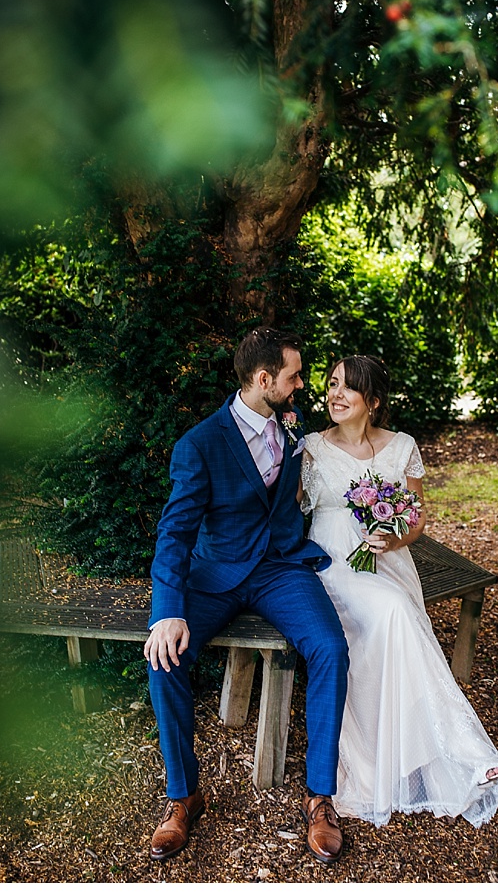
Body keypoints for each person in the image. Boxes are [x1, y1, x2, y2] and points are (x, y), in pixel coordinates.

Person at [145, 328, 350, 864]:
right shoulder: (200, 444)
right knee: (164, 660)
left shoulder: (292, 422)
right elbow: (174, 532)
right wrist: (166, 612)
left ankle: (320, 798)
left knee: (330, 647)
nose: (302, 385)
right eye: (294, 377)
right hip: (215, 576)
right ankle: (183, 794)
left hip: (281, 567)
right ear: (264, 381)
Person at [301, 354, 498, 828]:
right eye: (331, 384)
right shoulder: (310, 446)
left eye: (348, 389)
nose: (335, 395)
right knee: (394, 613)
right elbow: (288, 508)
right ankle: (408, 757)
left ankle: (453, 753)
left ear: (372, 402)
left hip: (386, 560)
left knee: (393, 613)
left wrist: (391, 537)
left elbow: (414, 520)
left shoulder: (401, 447)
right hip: (330, 564)